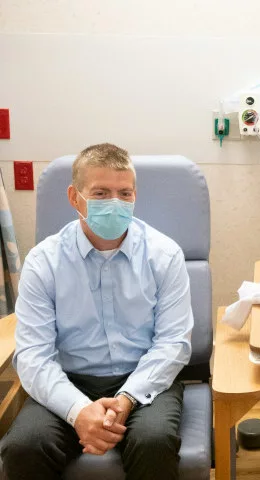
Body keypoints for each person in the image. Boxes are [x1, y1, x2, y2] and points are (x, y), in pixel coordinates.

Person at [0, 143, 193, 479]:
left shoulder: (165, 255)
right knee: (25, 446)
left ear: (135, 197)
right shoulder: (44, 262)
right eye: (101, 193)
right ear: (75, 198)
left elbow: (173, 343)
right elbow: (33, 356)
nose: (115, 203)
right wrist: (78, 411)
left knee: (154, 441)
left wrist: (127, 399)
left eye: (125, 193)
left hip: (145, 382)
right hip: (69, 379)